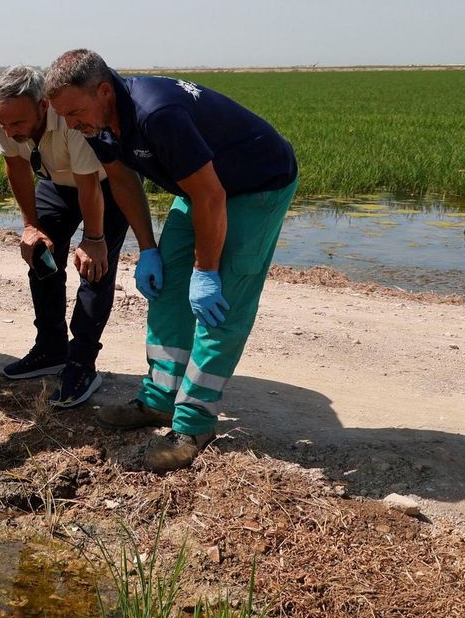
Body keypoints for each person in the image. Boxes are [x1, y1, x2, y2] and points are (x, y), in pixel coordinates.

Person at [44, 49, 298, 472]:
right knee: (167, 290)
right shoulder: (96, 120)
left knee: (219, 305)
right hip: (198, 189)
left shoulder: (156, 113)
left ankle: (194, 424)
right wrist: (148, 249)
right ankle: (160, 400)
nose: (70, 124)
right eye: (63, 116)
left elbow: (211, 196)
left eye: (73, 113)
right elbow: (123, 179)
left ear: (103, 91)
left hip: (255, 187)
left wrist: (207, 271)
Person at [0, 65, 131, 407]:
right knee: (41, 256)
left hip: (105, 184)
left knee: (94, 269)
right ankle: (51, 348)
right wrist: (30, 226)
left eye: (18, 123)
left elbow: (88, 183)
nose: (10, 130)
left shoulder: (69, 118)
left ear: (43, 106)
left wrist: (93, 239)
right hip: (56, 181)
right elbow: (16, 165)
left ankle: (81, 364)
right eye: (4, 123)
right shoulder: (0, 112)